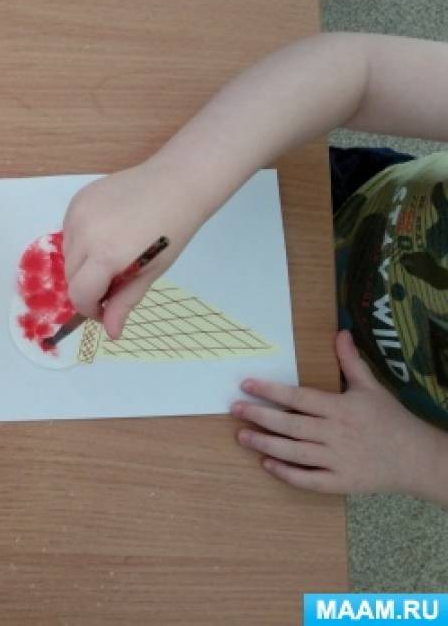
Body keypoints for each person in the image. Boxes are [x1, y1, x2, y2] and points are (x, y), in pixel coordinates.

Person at [62, 33, 448, 505]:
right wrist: (178, 181)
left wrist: (415, 458)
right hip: (344, 201)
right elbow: (362, 71)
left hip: (371, 398)